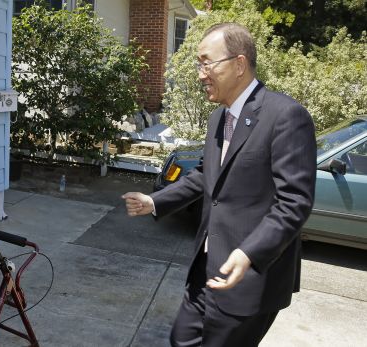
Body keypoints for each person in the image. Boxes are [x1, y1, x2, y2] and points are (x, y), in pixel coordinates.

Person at [123, 23, 316, 346]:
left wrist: (250, 253)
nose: (200, 74)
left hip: (251, 277)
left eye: (206, 63)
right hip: (206, 269)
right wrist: (156, 201)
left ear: (239, 64)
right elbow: (204, 175)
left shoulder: (285, 116)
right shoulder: (218, 118)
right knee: (181, 339)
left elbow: (294, 202)